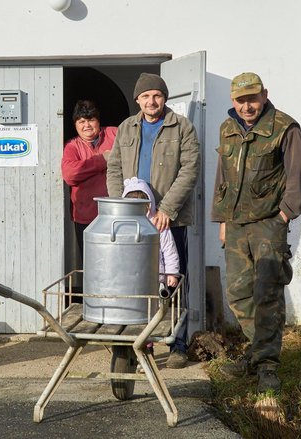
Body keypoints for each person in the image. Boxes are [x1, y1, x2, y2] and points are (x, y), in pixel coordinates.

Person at [212, 72, 301, 392]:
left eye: (252, 98)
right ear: (233, 101)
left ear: (264, 94)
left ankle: (267, 365)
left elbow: (300, 175)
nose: (247, 105)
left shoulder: (285, 127)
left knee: (267, 292)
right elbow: (222, 177)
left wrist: (284, 215)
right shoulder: (227, 129)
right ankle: (258, 352)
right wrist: (223, 219)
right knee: (239, 294)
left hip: (269, 222)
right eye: (241, 100)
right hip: (237, 223)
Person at [106, 73, 200, 369]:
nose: (151, 101)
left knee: (174, 278)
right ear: (137, 100)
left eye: (157, 95)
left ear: (165, 98)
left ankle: (178, 343)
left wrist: (167, 209)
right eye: (145, 96)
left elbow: (190, 169)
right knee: (135, 281)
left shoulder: (182, 127)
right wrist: (121, 208)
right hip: (133, 218)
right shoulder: (126, 128)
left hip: (169, 219)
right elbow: (114, 168)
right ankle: (141, 340)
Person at [61, 100, 117, 257]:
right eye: (81, 121)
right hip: (86, 218)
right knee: (92, 263)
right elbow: (70, 175)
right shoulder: (71, 146)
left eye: (91, 119)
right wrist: (102, 159)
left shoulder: (114, 134)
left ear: (98, 121)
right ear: (75, 124)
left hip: (116, 215)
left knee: (118, 261)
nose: (87, 125)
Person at [122, 177, 180, 290]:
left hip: (155, 279)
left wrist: (172, 273)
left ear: (149, 205)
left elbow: (169, 250)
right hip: (127, 279)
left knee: (154, 305)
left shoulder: (157, 224)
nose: (137, 209)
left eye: (142, 205)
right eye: (132, 206)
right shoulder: (122, 226)